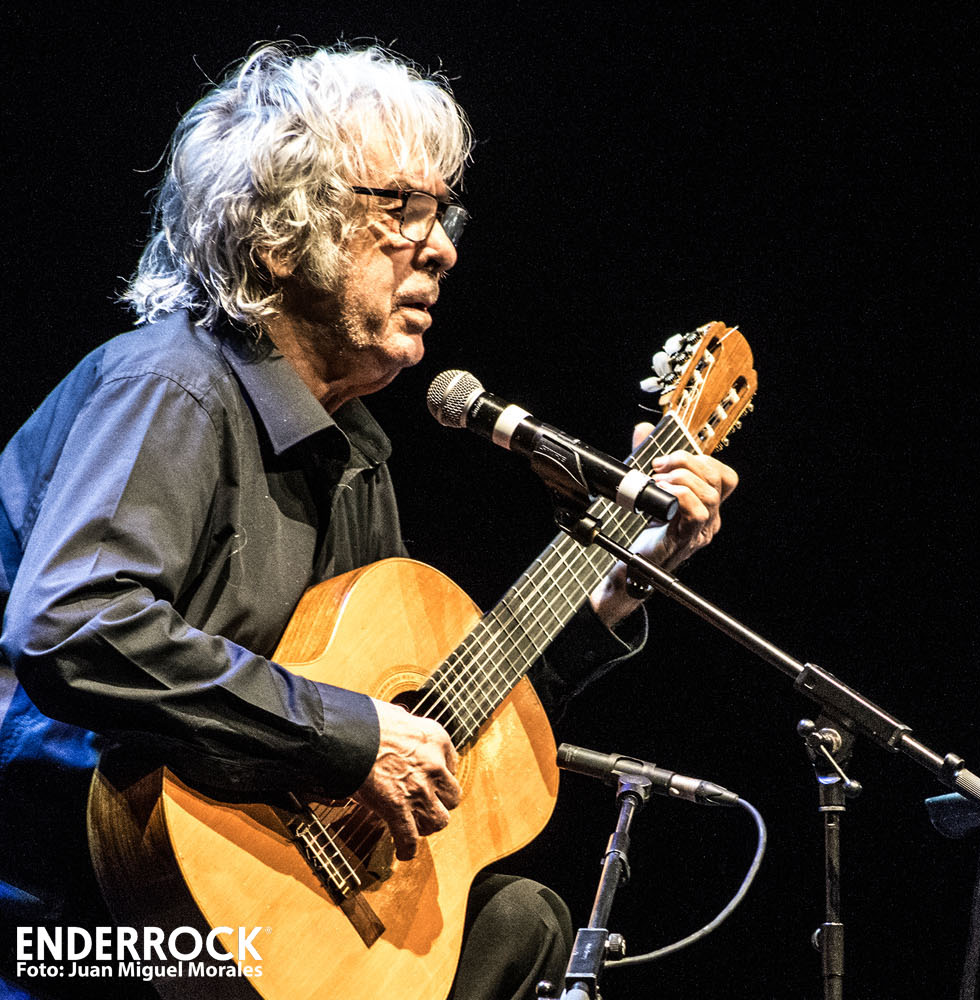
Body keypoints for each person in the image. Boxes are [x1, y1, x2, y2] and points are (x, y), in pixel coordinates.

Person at [0, 42, 737, 1000]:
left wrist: (616, 583)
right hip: (76, 928)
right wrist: (351, 737)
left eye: (443, 213)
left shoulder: (354, 453)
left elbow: (434, 726)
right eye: (401, 209)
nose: (442, 247)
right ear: (277, 235)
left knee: (520, 924)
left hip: (256, 917)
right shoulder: (173, 386)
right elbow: (72, 623)